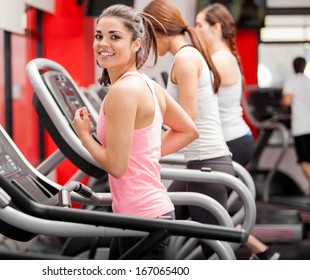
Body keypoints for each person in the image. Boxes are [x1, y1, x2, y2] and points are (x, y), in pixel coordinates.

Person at [72, 4, 199, 260]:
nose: (103, 43)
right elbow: (188, 130)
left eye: (115, 36)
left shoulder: (124, 91)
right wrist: (144, 155)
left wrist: (84, 135)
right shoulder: (147, 84)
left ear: (136, 44)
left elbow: (116, 167)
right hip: (146, 214)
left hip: (142, 217)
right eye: (99, 35)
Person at [142, 0, 234, 259]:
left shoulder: (184, 59)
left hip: (206, 165)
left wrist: (148, 152)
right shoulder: (188, 55)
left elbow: (188, 122)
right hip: (201, 163)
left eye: (147, 36)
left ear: (157, 29)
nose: (147, 45)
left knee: (217, 252)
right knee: (158, 222)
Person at [194, 2, 280, 260]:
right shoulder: (220, 58)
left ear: (216, 28)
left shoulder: (220, 60)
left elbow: (198, 105)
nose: (196, 30)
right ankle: (263, 253)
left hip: (230, 143)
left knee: (208, 212)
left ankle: (254, 254)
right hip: (233, 140)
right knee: (209, 210)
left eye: (200, 25)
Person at [281, 57, 310, 194]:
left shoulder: (292, 81)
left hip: (301, 126)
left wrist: (281, 104)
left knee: (304, 160)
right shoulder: (308, 81)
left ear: (293, 67)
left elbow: (286, 101)